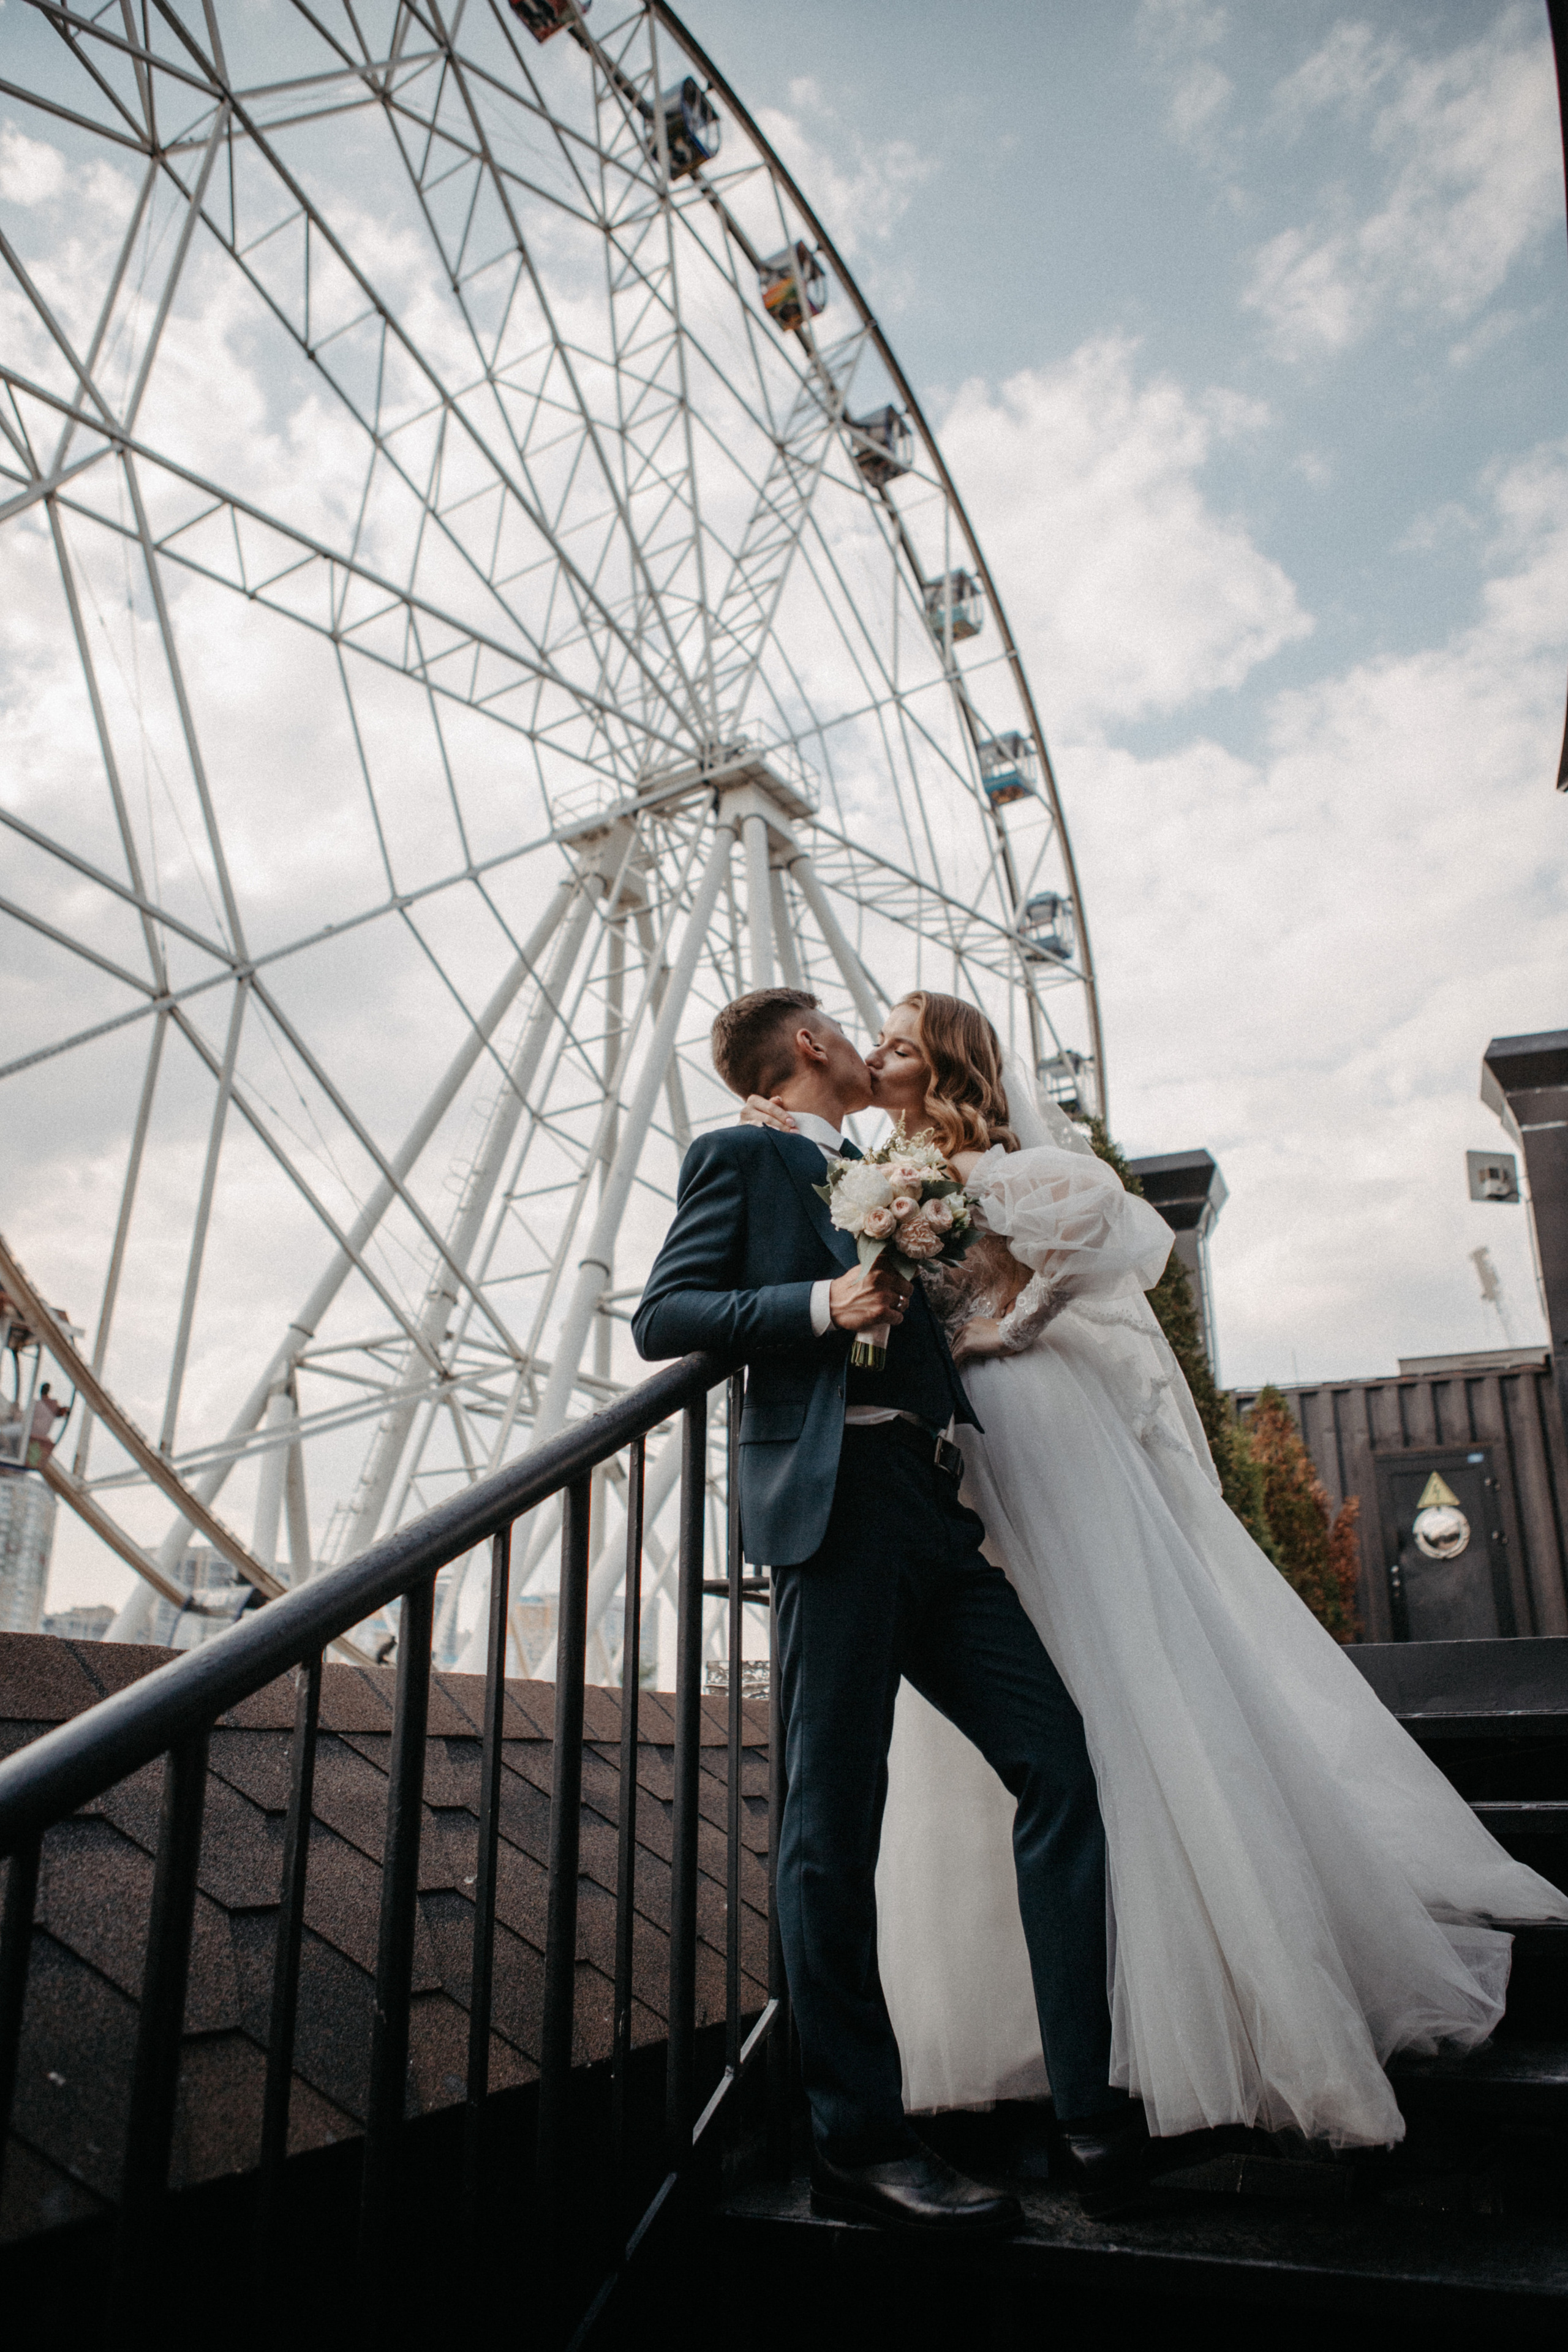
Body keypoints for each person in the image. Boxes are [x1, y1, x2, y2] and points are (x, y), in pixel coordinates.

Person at [738, 992, 1568, 2151]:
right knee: (1006, 1739)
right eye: (869, 1037)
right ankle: (1045, 2032)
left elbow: (1112, 1235)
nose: (876, 1049)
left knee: (1109, 1684)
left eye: (900, 1041)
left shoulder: (997, 1169)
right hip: (947, 1472)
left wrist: (1010, 1326)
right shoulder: (863, 1169)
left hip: (1030, 1424)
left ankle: (1182, 2004)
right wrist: (789, 1135)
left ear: (948, 1064)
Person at [631, 988, 1149, 2235]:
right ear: (808, 1045)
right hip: (838, 1508)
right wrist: (823, 1307)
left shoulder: (876, 1169)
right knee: (832, 1821)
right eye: (844, 1025)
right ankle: (856, 2144)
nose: (867, 1040)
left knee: (1056, 1760)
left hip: (930, 1504)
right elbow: (665, 1315)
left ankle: (1088, 2103)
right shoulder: (742, 1157)